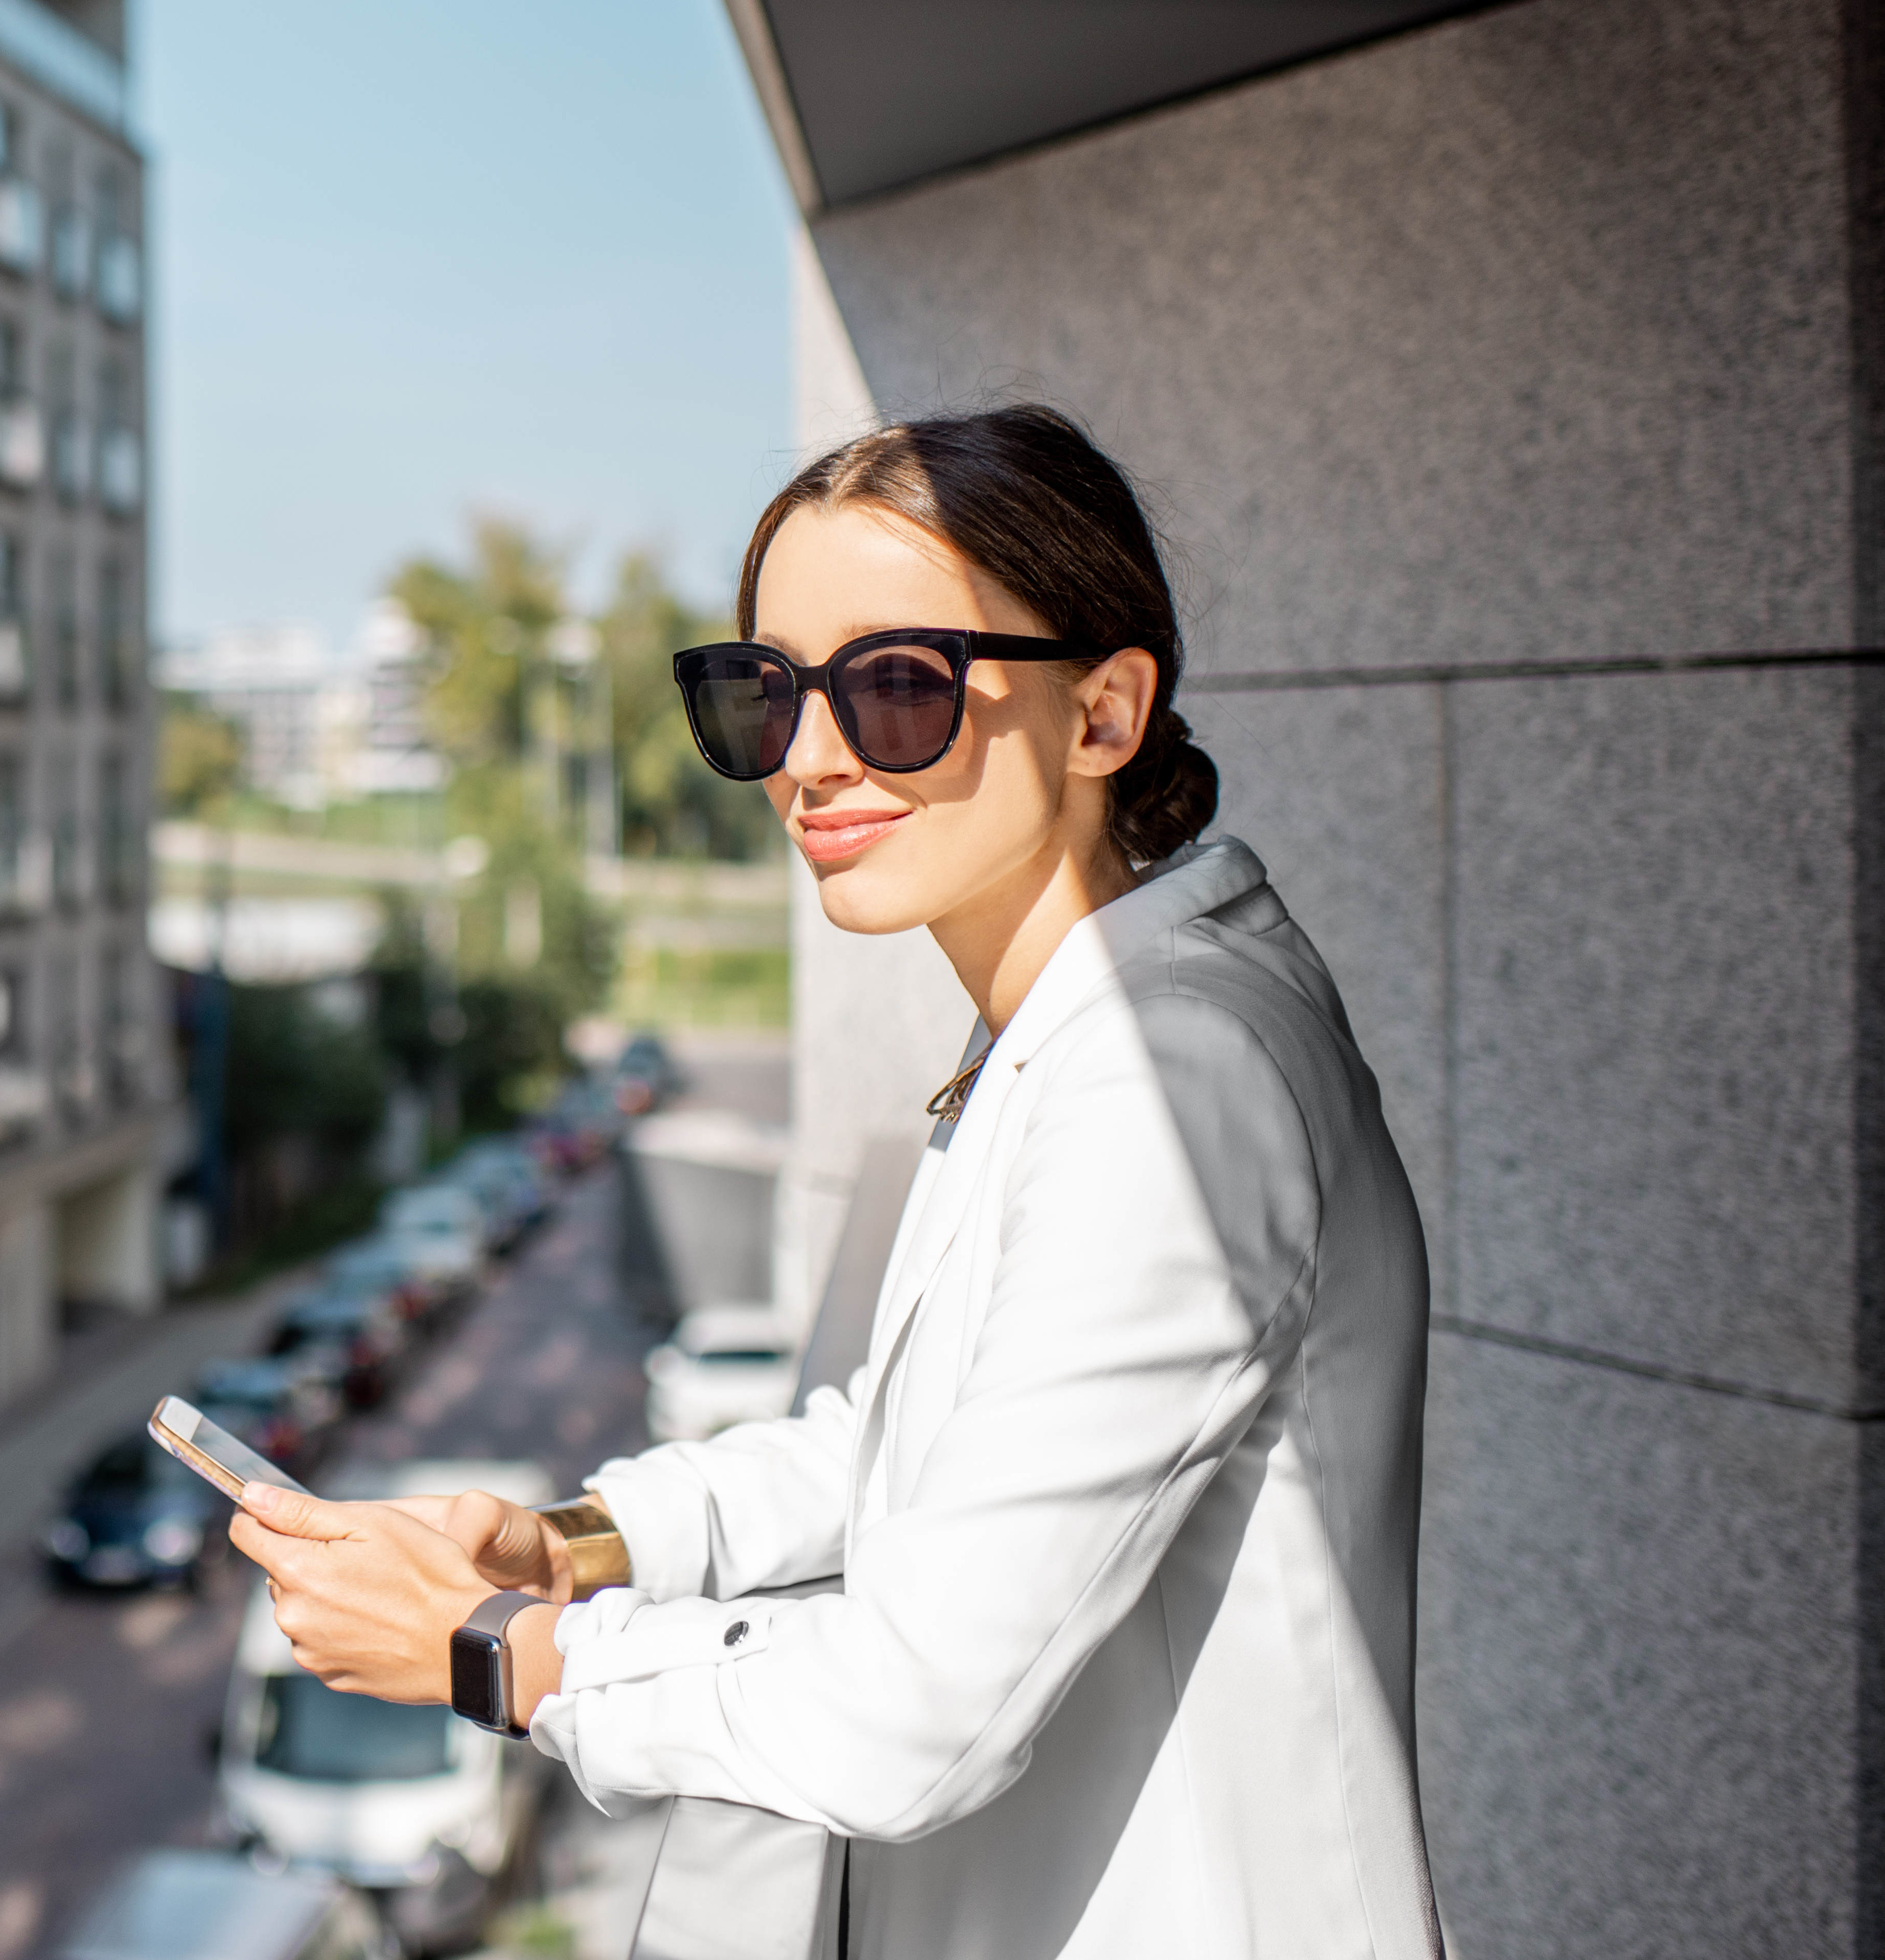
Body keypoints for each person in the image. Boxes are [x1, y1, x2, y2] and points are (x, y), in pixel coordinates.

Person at [229, 406, 1439, 1958]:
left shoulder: (1171, 1076)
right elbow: (915, 1436)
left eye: (896, 686)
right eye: (761, 693)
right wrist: (575, 1541)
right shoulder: (1073, 1023)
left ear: (1105, 712)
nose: (808, 758)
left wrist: (495, 1651)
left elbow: (910, 1710)